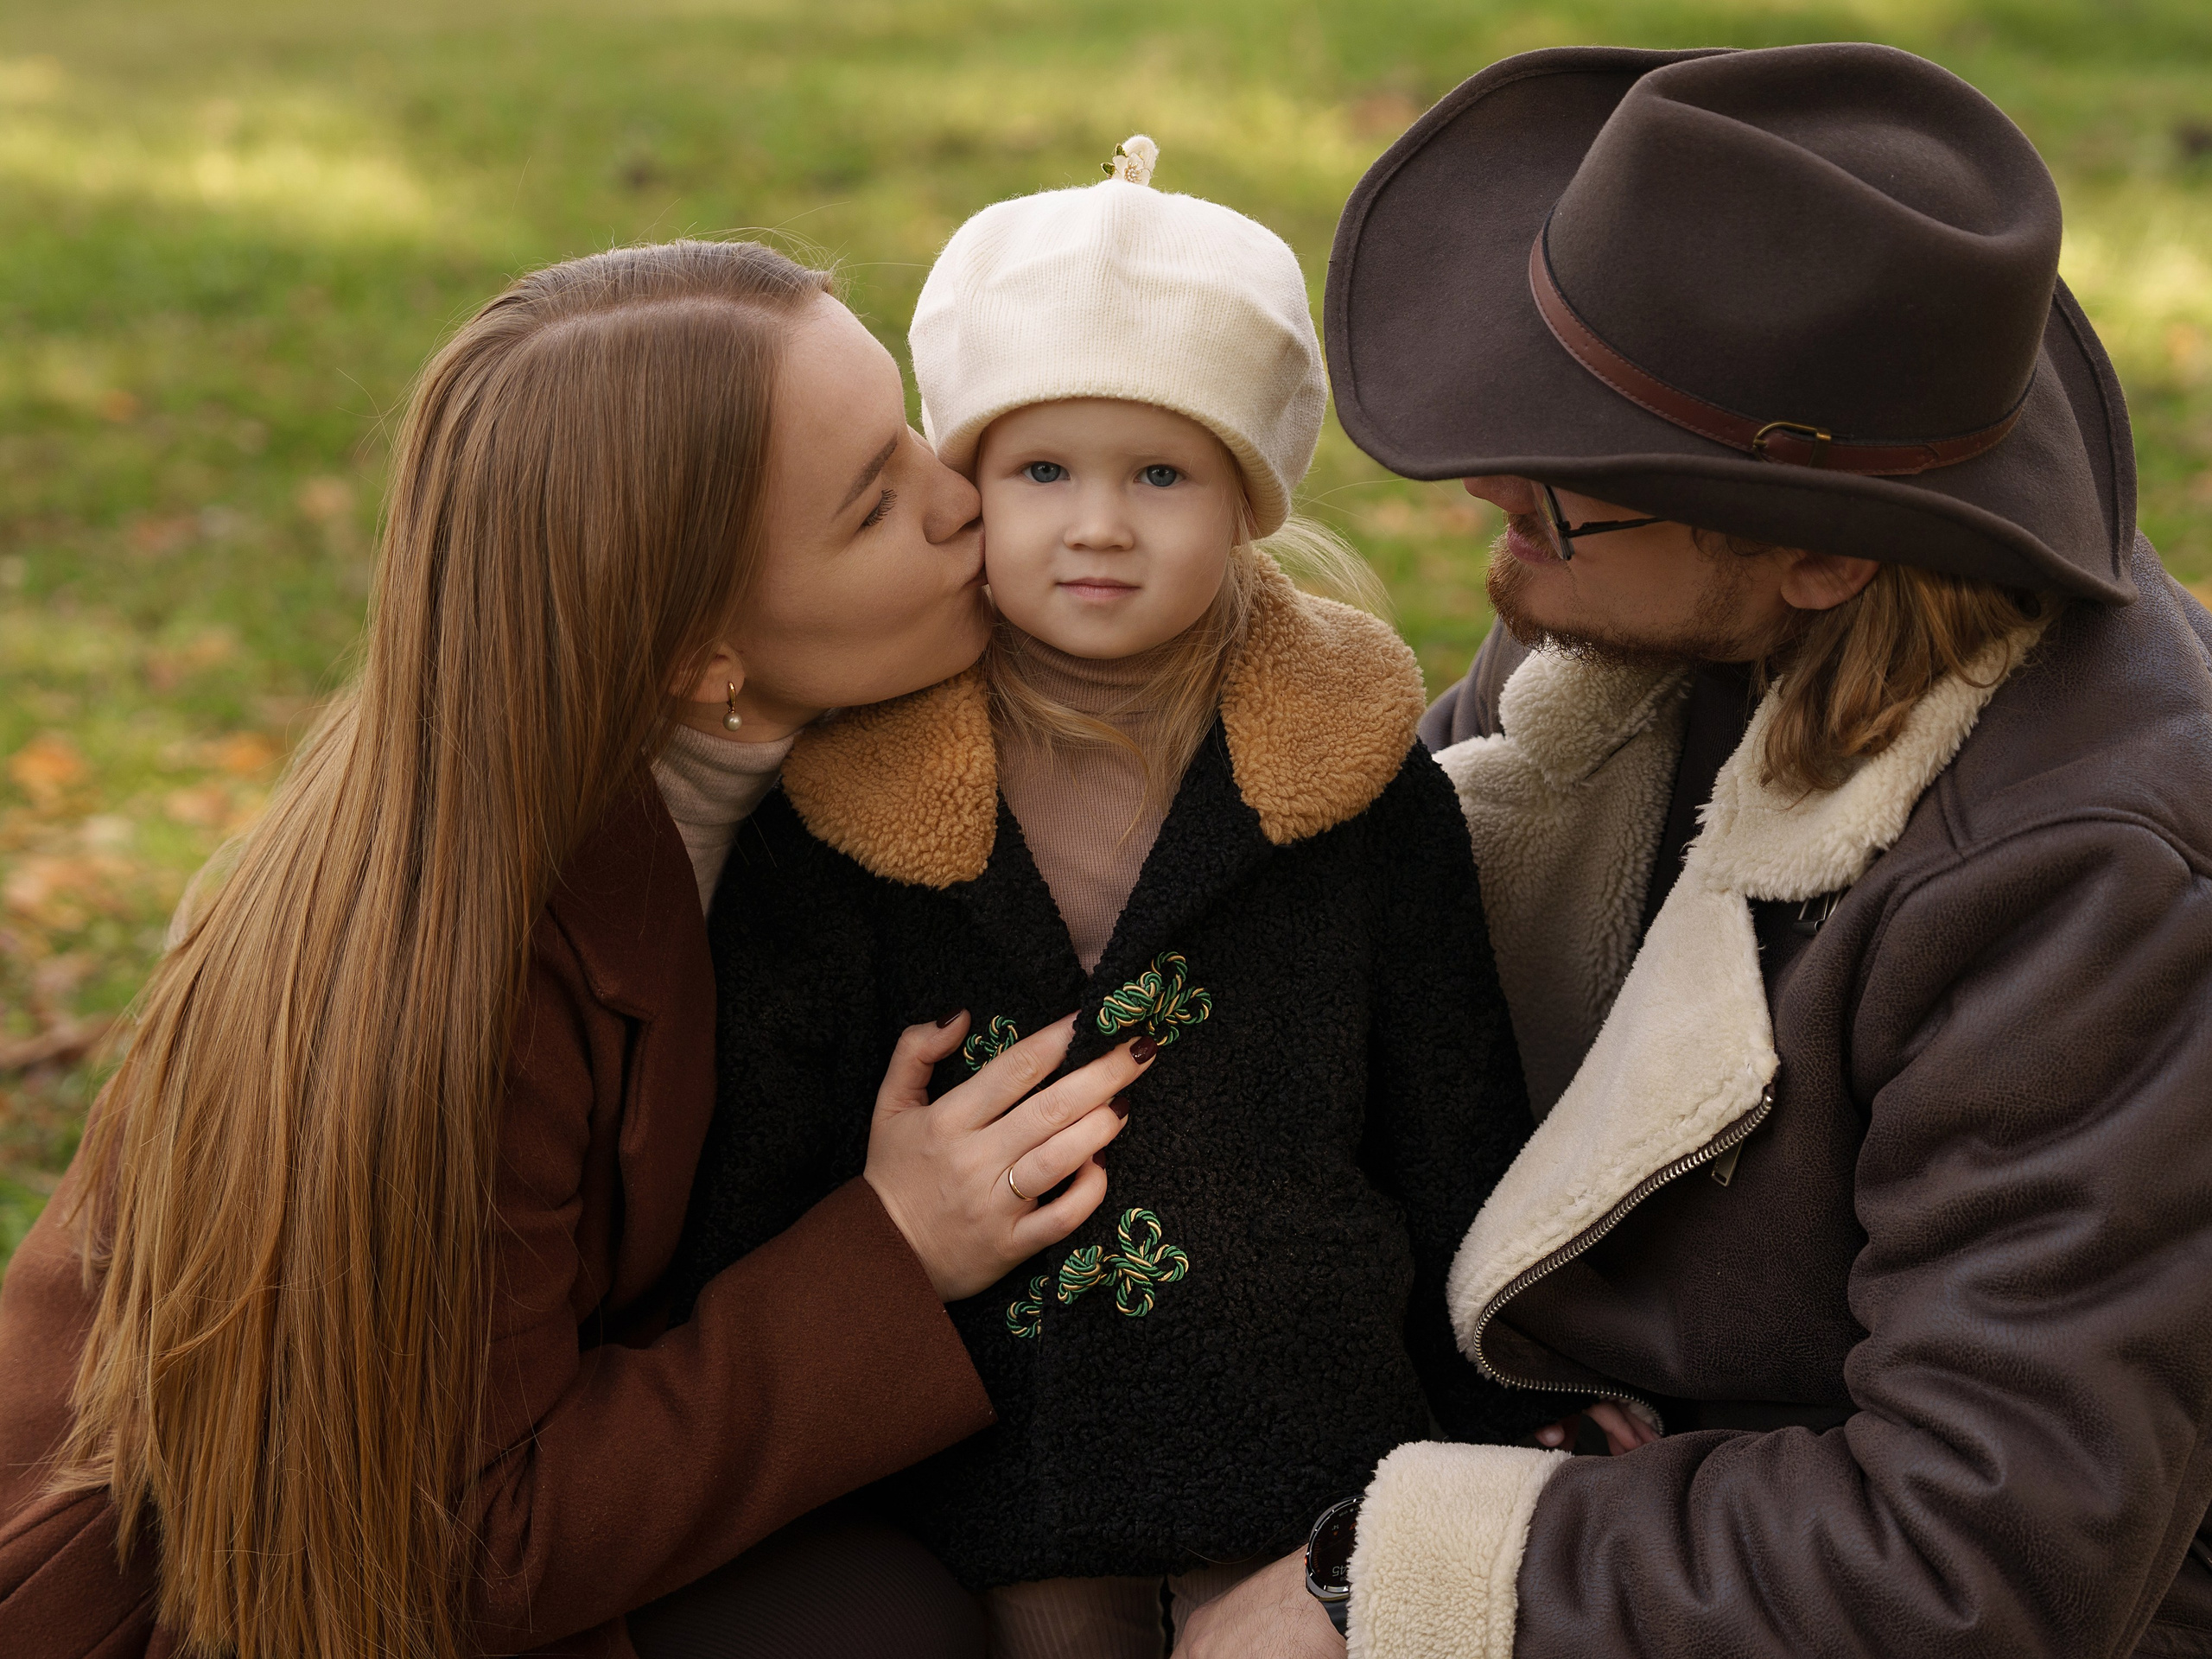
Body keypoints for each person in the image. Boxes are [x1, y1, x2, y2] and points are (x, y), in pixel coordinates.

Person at [1181, 42, 2212, 1659]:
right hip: (1619, 1478)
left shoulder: (2089, 885)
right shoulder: (1641, 622)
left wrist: (1381, 1583)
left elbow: (1984, 1557)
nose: (1490, 486)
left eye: (1569, 486)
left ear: (1819, 556)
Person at [0, 239, 1149, 1659]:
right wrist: (896, 1247)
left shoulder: (673, 750)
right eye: (874, 503)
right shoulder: (451, 988)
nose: (962, 492)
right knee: (880, 1619)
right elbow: (467, 1542)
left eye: (911, 429)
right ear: (697, 658)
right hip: (231, 1604)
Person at [671, 139, 1541, 1658]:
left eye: (1161, 475)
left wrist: (1506, 1401)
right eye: (1041, 472)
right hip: (992, 1452)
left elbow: (1451, 1109)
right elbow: (763, 1130)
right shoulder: (854, 794)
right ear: (968, 485)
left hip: (1299, 1426)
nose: (1098, 525)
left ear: (1247, 501)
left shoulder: (1354, 781)